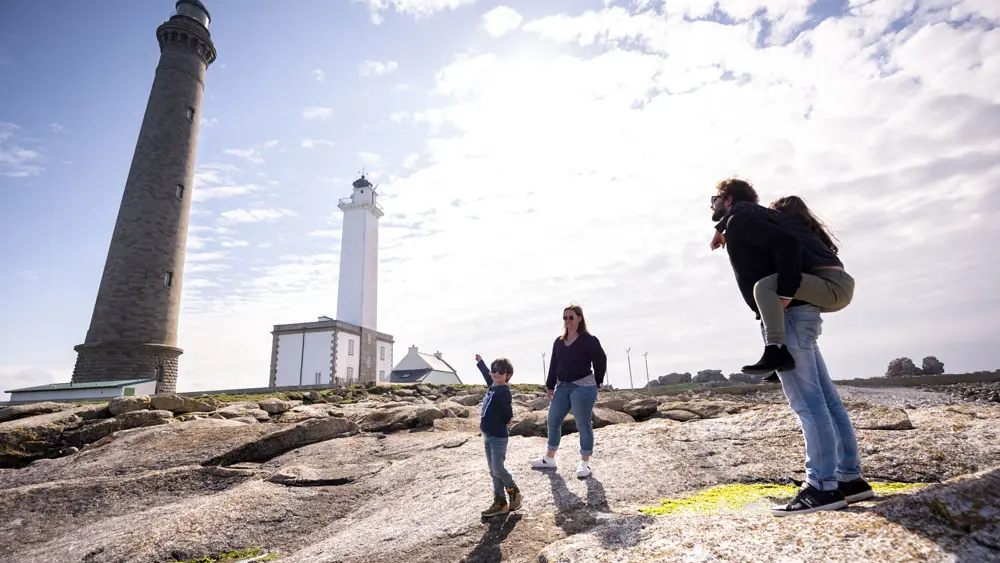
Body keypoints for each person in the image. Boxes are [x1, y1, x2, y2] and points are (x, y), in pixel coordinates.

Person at [709, 178, 873, 516]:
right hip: (801, 312)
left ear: (727, 199)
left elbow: (782, 242)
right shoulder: (751, 218)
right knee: (826, 399)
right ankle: (850, 478)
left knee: (808, 404)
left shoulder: (744, 218)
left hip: (791, 316)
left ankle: (822, 486)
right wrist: (723, 228)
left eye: (714, 199)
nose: (711, 205)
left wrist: (782, 296)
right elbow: (775, 234)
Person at [712, 195, 857, 375]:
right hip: (838, 286)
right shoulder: (804, 229)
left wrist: (719, 228)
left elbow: (743, 206)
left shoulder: (784, 220)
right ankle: (783, 358)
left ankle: (775, 350)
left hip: (832, 284)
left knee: (765, 287)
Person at [531, 304, 608, 479]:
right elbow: (553, 364)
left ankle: (584, 462)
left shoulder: (589, 340)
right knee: (553, 419)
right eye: (565, 318)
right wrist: (550, 385)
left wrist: (598, 380)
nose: (568, 321)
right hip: (563, 386)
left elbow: (601, 360)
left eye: (571, 317)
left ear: (580, 318)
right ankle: (549, 458)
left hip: (584, 386)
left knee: (583, 423)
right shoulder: (559, 341)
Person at [475, 353, 522, 518]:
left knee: (498, 468)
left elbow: (508, 415)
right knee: (493, 471)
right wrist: (481, 363)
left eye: (500, 372)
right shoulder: (493, 385)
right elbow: (487, 374)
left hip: (498, 437)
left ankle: (513, 491)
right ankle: (500, 502)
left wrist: (498, 421)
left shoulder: (503, 391)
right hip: (488, 436)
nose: (496, 373)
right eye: (494, 370)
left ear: (507, 376)